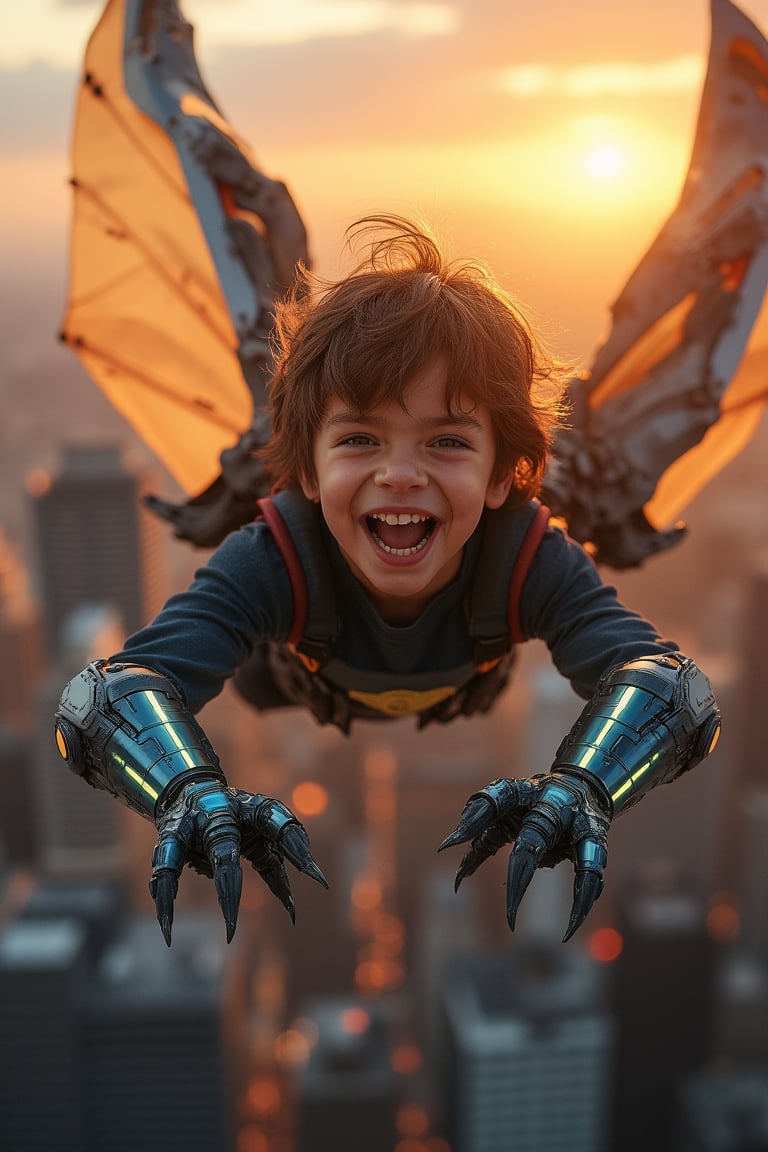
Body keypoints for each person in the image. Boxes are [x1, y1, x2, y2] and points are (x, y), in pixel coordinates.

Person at [54, 216, 721, 947]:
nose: (400, 473)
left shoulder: (526, 557)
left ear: (504, 476)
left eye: (446, 441)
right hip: (289, 684)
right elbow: (101, 701)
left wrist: (586, 786)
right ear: (306, 471)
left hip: (465, 685)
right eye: (361, 438)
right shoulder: (277, 555)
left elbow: (674, 692)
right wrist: (185, 790)